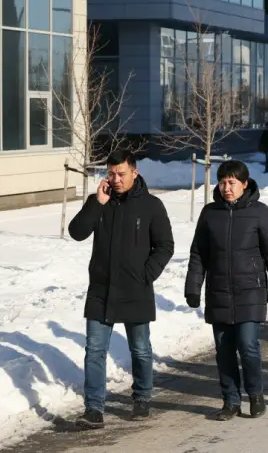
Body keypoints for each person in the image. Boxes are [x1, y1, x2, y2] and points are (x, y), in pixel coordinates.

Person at [67, 150, 174, 429]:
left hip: (136, 289)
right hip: (101, 290)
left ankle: (142, 397)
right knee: (94, 350)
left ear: (134, 173)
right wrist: (96, 203)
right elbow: (77, 232)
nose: (115, 179)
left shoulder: (151, 205)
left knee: (140, 349)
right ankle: (94, 409)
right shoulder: (100, 201)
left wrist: (146, 274)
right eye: (111, 173)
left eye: (121, 174)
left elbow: (165, 246)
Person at [185, 160, 268, 421]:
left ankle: (255, 394)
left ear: (244, 183)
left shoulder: (259, 212)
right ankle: (230, 400)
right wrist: (193, 287)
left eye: (231, 182)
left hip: (250, 290)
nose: (226, 188)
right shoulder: (210, 213)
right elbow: (198, 253)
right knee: (224, 350)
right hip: (219, 290)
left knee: (248, 345)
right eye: (222, 182)